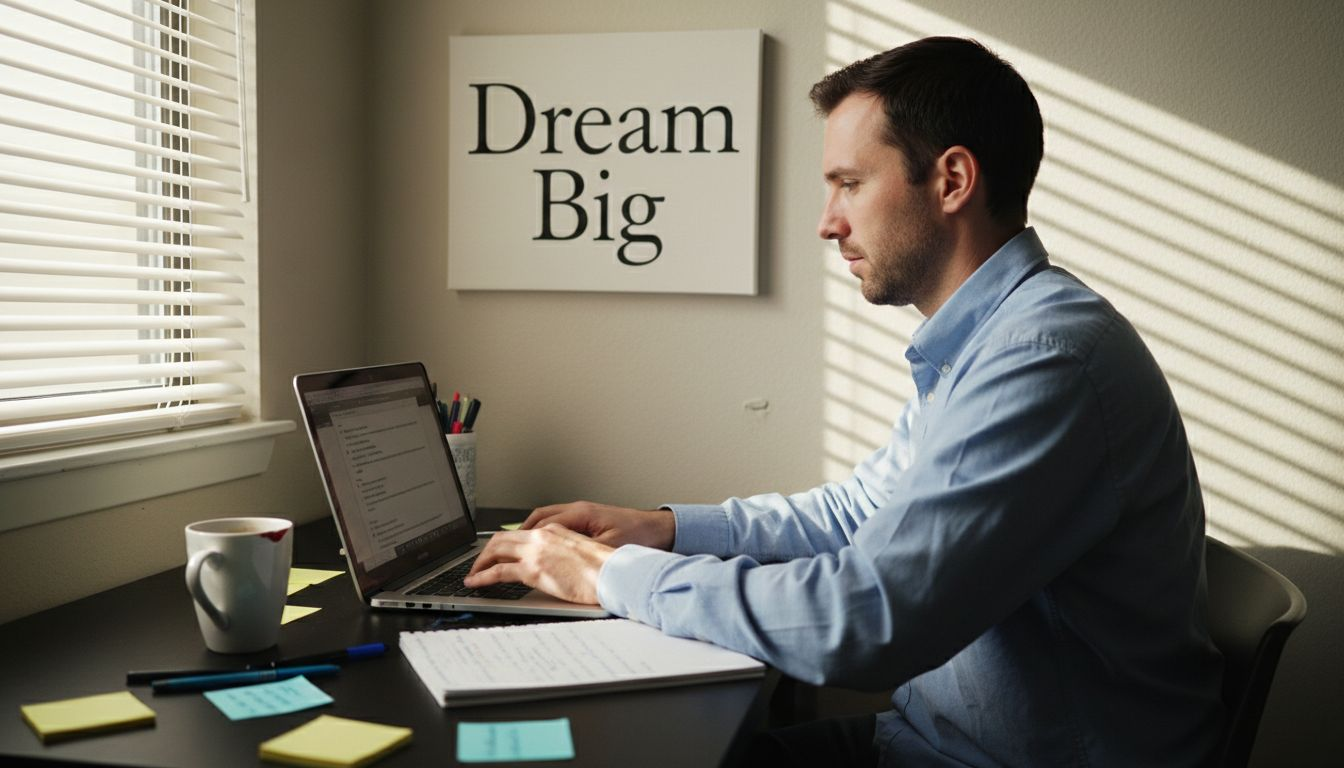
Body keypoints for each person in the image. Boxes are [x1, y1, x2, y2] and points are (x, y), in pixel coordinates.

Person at [466, 36, 1224, 767]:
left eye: (850, 184)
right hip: (934, 743)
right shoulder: (988, 341)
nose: (829, 223)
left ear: (953, 180)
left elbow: (865, 622)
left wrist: (607, 576)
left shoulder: (1042, 361)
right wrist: (664, 528)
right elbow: (857, 514)